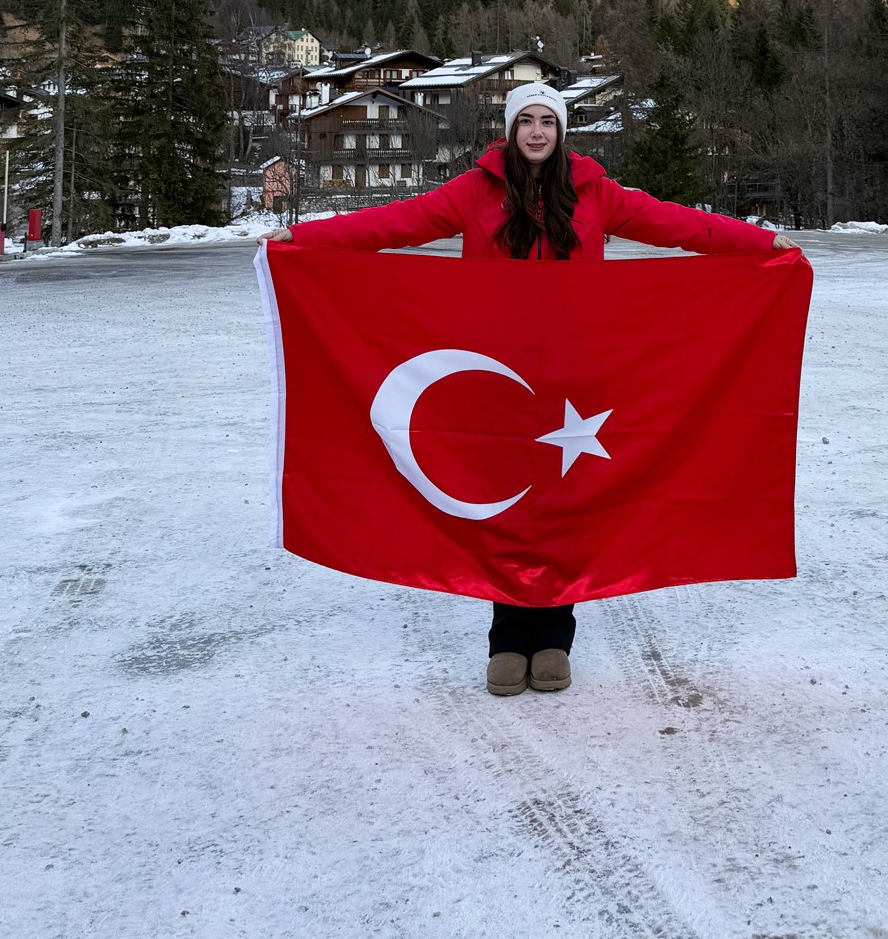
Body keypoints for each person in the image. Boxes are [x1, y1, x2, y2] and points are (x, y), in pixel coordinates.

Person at [263, 81, 800, 697]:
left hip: (577, 376)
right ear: (512, 131)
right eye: (528, 122)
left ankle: (554, 640)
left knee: (567, 506)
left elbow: (681, 227)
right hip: (497, 379)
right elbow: (396, 223)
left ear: (562, 130)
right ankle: (506, 641)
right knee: (505, 507)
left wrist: (759, 242)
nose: (539, 132)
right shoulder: (474, 191)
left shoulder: (597, 193)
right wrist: (304, 240)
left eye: (549, 121)